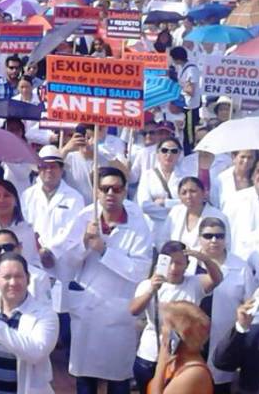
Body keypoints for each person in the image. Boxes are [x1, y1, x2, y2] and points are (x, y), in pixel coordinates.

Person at [53, 167, 152, 394]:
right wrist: (84, 245)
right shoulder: (85, 217)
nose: (110, 193)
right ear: (96, 191)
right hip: (86, 311)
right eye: (104, 188)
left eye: (116, 189)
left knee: (118, 380)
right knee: (84, 380)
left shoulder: (138, 222)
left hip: (118, 312)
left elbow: (140, 271)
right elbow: (66, 262)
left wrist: (104, 250)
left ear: (125, 192)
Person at [129, 241, 223, 388]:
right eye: (169, 262)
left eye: (179, 263)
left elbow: (217, 279)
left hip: (182, 355)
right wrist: (151, 290)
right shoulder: (148, 284)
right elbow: (134, 310)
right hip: (151, 354)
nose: (174, 268)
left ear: (187, 264)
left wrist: (205, 259)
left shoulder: (194, 283)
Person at [0, 252, 59, 394]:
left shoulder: (46, 315)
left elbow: (36, 352)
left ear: (28, 279)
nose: (13, 282)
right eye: (6, 277)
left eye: (18, 276)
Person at [192, 216, 256, 392]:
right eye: (208, 235)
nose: (214, 240)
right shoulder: (187, 264)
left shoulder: (241, 267)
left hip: (223, 343)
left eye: (219, 236)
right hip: (190, 343)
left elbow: (252, 305)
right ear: (199, 238)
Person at [147, 301, 215, 394]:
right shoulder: (174, 361)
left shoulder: (193, 374)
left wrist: (160, 366)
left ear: (177, 335)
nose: (163, 330)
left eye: (165, 325)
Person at [157, 177, 230, 250]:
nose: (188, 196)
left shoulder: (218, 216)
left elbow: (225, 246)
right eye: (184, 193)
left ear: (204, 193)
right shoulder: (176, 212)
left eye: (193, 191)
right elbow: (163, 240)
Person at [135, 137, 184, 230]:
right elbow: (144, 205)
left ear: (179, 154)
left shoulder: (186, 177)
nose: (169, 154)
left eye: (174, 151)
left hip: (178, 226)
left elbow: (188, 203)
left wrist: (165, 203)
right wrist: (176, 207)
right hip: (154, 228)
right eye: (164, 150)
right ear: (157, 153)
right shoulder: (147, 175)